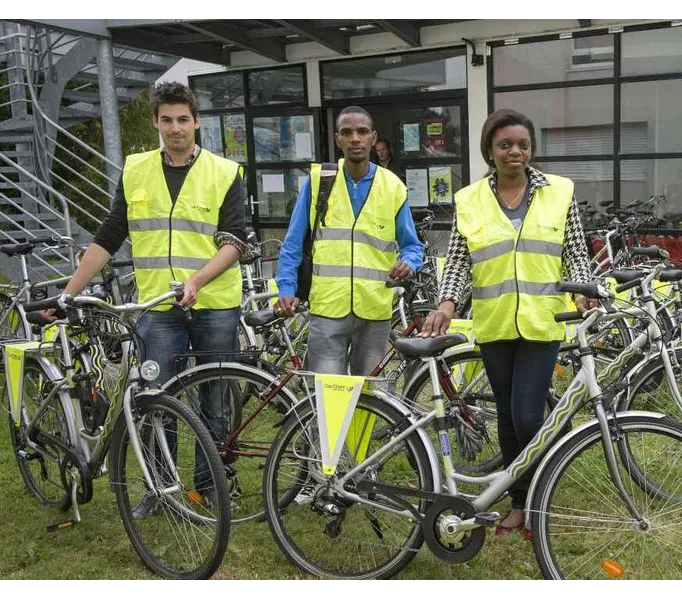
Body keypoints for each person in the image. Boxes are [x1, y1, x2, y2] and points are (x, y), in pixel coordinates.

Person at [48, 81, 253, 516]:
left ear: (197, 122)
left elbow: (235, 242)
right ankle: (160, 488)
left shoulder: (224, 172)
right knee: (154, 399)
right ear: (156, 122)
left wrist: (196, 280)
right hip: (157, 308)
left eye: (183, 119)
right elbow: (108, 237)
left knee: (215, 398)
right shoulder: (136, 169)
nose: (175, 128)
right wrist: (69, 293)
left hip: (213, 303)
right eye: (167, 120)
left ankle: (206, 486)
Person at [419, 108, 596, 540]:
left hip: (542, 323)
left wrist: (581, 289)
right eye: (505, 145)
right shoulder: (470, 199)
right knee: (505, 416)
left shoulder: (559, 192)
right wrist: (445, 304)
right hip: (494, 324)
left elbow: (574, 251)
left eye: (522, 144)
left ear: (531, 150)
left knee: (526, 415)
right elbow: (460, 262)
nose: (515, 151)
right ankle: (518, 501)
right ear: (490, 151)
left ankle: (538, 498)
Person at [275, 106, 423, 375]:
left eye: (362, 132)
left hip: (375, 307)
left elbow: (412, 245)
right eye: (347, 132)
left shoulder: (392, 187)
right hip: (328, 307)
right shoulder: (319, 181)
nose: (355, 138)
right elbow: (293, 243)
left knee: (370, 392)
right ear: (337, 139)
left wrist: (409, 263)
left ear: (373, 138)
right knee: (329, 393)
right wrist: (286, 287)